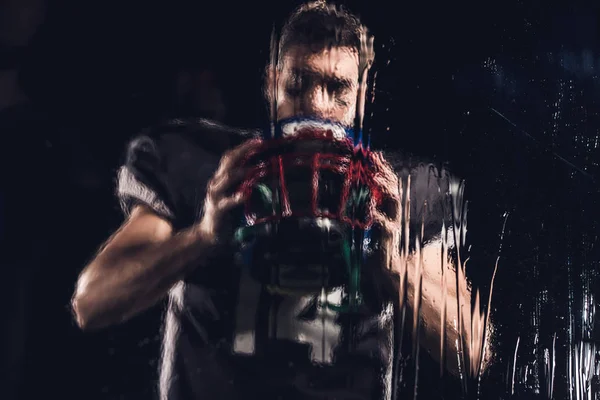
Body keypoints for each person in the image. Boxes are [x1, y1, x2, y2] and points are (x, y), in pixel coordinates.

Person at [72, 2, 486, 399]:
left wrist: (393, 267)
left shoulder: (401, 188)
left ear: (363, 95)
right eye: (298, 83)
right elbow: (93, 302)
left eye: (337, 88)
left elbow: (473, 352)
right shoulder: (204, 167)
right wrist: (203, 236)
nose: (316, 105)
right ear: (272, 84)